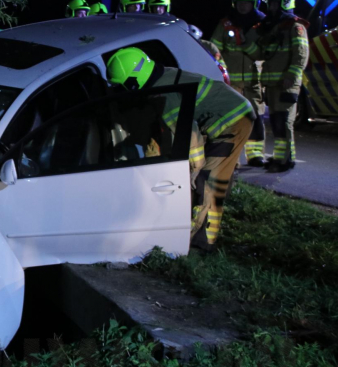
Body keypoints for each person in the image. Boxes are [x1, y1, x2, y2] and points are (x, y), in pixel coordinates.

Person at [106, 47, 255, 250]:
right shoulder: (160, 78)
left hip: (234, 121)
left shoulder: (165, 97)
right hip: (218, 117)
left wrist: (192, 172)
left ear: (134, 82)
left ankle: (201, 243)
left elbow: (190, 140)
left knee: (207, 183)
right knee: (203, 178)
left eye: (122, 87)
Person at [241, 0, 309, 172]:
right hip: (272, 85)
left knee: (284, 122)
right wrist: (248, 39)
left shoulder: (296, 27)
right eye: (269, 3)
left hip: (286, 84)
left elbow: (301, 55)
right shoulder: (274, 27)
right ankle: (279, 159)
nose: (269, 7)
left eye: (273, 3)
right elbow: (261, 51)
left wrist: (291, 76)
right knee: (278, 122)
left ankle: (286, 161)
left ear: (284, 3)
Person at [210, 0, 267, 166]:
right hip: (231, 81)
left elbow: (267, 52)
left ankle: (255, 155)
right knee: (232, 120)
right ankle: (231, 158)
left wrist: (247, 45)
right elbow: (213, 48)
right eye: (240, 2)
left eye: (247, 2)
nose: (243, 6)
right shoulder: (225, 23)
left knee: (255, 117)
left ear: (255, 3)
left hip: (253, 81)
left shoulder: (264, 24)